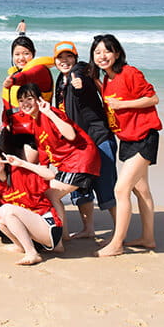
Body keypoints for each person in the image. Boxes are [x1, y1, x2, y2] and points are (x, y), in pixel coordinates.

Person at [89, 34, 162, 257]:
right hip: (128, 140)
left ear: (117, 53)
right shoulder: (107, 80)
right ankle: (148, 238)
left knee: (121, 189)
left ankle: (117, 243)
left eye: (107, 51)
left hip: (145, 137)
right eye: (97, 52)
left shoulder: (130, 72)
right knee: (142, 190)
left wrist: (123, 104)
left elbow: (153, 98)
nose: (102, 56)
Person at [16, 83, 100, 240]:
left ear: (39, 99)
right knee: (47, 191)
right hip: (67, 165)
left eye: (29, 98)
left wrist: (50, 113)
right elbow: (43, 156)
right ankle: (66, 234)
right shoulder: (36, 124)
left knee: (50, 194)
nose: (25, 103)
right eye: (21, 100)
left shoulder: (50, 114)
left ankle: (61, 236)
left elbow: (71, 135)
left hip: (80, 160)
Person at [53, 41, 117, 238]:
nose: (65, 61)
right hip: (77, 146)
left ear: (76, 57)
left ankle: (118, 233)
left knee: (105, 186)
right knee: (79, 188)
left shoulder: (81, 72)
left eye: (69, 57)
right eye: (60, 58)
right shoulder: (59, 81)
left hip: (98, 139)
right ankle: (88, 229)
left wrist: (79, 83)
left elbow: (82, 74)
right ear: (55, 61)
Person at [0, 144, 63, 266]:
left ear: (3, 158)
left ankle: (31, 253)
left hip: (49, 228)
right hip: (34, 235)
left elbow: (50, 175)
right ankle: (21, 246)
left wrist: (22, 163)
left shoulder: (19, 172)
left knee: (7, 209)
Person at [1, 36, 54, 160]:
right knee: (14, 176)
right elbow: (6, 106)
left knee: (28, 173)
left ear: (33, 54)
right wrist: (5, 123)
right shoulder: (13, 74)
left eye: (26, 53)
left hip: (34, 133)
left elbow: (28, 76)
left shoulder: (40, 71)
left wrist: (14, 80)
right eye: (17, 54)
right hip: (14, 132)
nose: (21, 58)